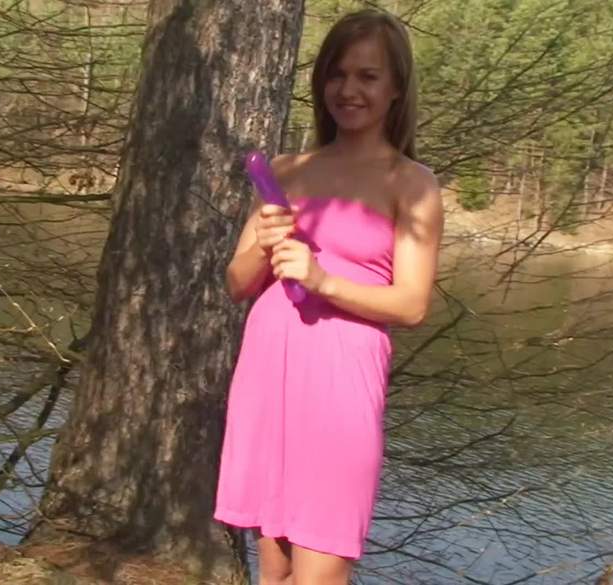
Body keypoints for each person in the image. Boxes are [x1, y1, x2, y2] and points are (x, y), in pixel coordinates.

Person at [214, 8, 444, 585]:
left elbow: (412, 305)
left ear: (396, 88)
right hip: (268, 379)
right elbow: (238, 283)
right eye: (337, 74)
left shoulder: (411, 183)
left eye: (368, 76)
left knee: (320, 571)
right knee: (274, 575)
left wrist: (323, 282)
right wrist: (264, 243)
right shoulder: (286, 170)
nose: (348, 90)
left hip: (340, 388)